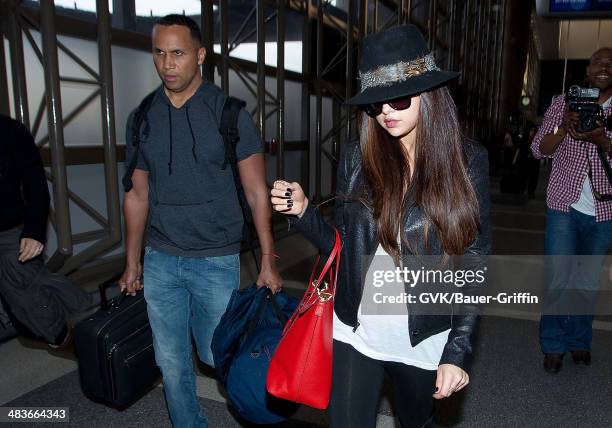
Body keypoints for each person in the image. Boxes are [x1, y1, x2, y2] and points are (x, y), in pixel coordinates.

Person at [271, 25, 490, 428]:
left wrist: (457, 351)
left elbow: (474, 259)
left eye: (398, 99)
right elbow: (340, 246)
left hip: (422, 336)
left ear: (429, 95)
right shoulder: (357, 158)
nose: (386, 112)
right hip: (356, 328)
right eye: (375, 104)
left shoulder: (467, 162)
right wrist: (302, 212)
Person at [119, 14, 282, 427]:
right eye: (159, 52)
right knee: (171, 362)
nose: (167, 63)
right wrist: (132, 261)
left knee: (215, 354)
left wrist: (267, 257)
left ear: (200, 55)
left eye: (178, 53)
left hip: (215, 258)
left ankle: (259, 400)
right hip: (161, 260)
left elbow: (256, 191)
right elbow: (137, 195)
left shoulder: (229, 115)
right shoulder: (142, 118)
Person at [531, 47, 612, 373]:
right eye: (597, 62)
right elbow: (538, 148)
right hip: (564, 204)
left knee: (588, 282)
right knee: (559, 279)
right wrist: (563, 128)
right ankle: (553, 344)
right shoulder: (563, 102)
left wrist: (602, 139)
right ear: (587, 69)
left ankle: (580, 340)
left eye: (610, 63)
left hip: (605, 211)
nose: (603, 67)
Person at [0, 115, 90, 348]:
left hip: (10, 230)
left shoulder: (10, 130)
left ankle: (63, 334)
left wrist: (34, 231)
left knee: (26, 286)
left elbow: (35, 184)